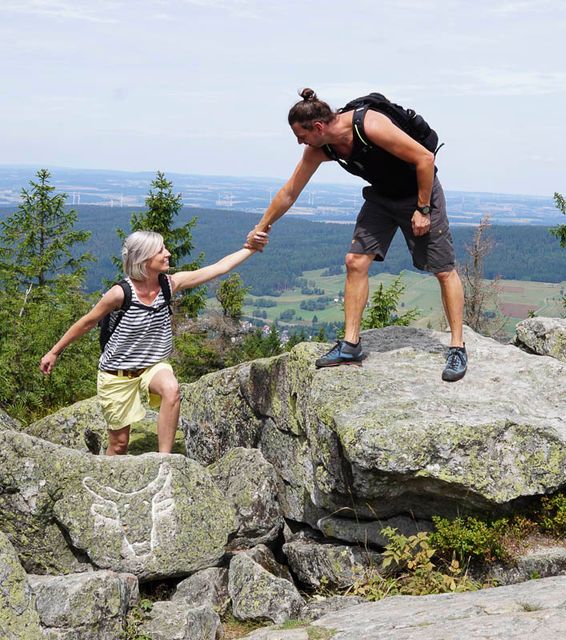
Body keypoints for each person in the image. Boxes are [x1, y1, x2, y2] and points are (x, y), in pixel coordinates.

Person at [245, 88, 467, 381]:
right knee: (355, 261)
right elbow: (290, 192)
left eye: (301, 135)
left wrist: (423, 210)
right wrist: (261, 226)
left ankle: (457, 346)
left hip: (418, 194)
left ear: (319, 127)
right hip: (381, 197)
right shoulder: (321, 148)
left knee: (442, 269)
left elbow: (425, 159)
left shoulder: (369, 125)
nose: (300, 142)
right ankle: (351, 344)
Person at [40, 229, 268, 455]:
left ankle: (164, 460)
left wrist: (250, 248)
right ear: (144, 258)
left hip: (152, 366)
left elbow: (217, 268)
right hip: (117, 373)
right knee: (119, 445)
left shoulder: (169, 285)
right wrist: (54, 352)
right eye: (161, 250)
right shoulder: (120, 294)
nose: (168, 253)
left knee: (172, 389)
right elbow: (87, 322)